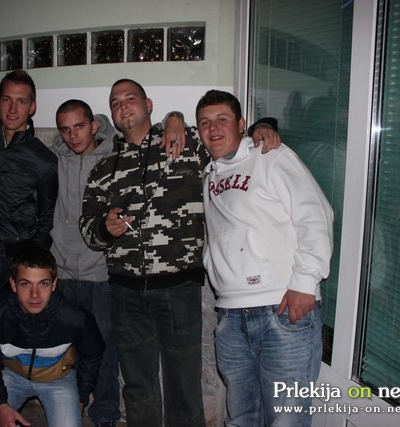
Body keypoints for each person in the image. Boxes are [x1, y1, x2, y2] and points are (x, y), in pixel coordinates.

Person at [79, 79, 280, 427]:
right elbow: (88, 229)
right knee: (138, 387)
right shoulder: (103, 169)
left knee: (183, 388)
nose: (123, 106)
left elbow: (230, 143)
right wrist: (104, 229)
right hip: (125, 292)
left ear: (148, 105)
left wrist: (262, 127)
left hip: (179, 288)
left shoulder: (187, 146)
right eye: (115, 102)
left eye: (130, 98)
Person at [196, 89, 333, 426]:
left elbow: (315, 215)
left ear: (241, 124)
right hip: (230, 316)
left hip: (282, 311)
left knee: (286, 420)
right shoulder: (210, 175)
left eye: (222, 120)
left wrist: (305, 282)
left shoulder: (271, 155)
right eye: (205, 123)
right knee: (241, 418)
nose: (213, 129)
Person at [51, 99, 187, 427]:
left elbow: (153, 134)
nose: (72, 135)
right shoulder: (56, 158)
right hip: (63, 271)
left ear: (94, 125)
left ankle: (105, 414)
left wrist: (174, 116)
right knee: (65, 348)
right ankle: (68, 406)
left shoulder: (115, 154)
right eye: (65, 130)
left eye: (79, 126)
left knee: (105, 349)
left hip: (100, 272)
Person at [0, 242, 105, 427]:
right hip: (11, 376)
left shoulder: (74, 316)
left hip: (58, 378)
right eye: (25, 284)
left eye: (43, 284)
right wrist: (0, 405)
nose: (35, 295)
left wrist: (82, 395)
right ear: (13, 284)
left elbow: (93, 353)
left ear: (54, 284)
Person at [0, 69, 58, 308]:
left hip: (10, 260)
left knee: (9, 324)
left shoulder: (44, 159)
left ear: (32, 107)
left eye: (21, 101)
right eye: (7, 99)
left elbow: (48, 216)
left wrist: (30, 260)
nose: (12, 109)